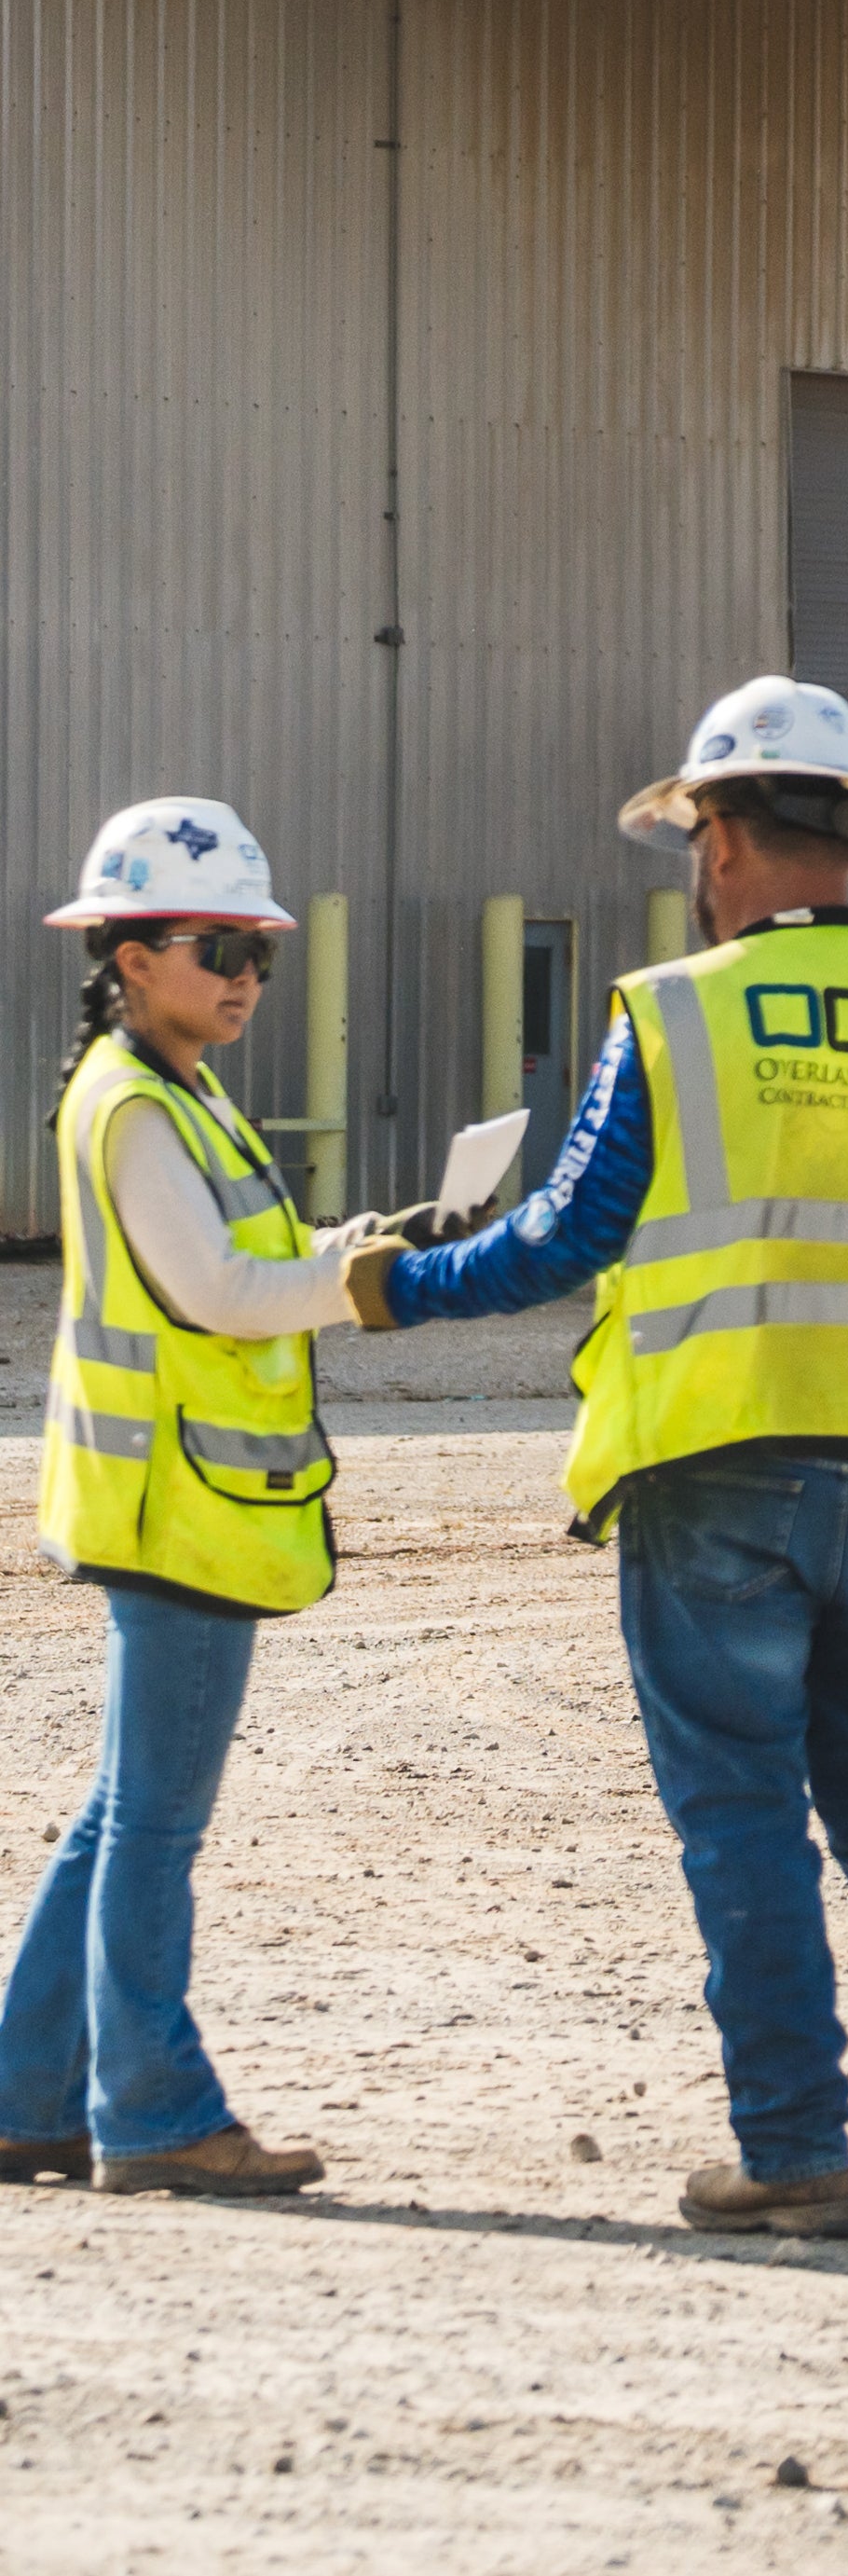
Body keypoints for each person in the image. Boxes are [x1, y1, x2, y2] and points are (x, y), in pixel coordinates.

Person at [377, 677, 848, 2234]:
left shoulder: (673, 1012)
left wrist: (392, 1285)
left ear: (730, 838)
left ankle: (795, 2149)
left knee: (745, 1815)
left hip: (711, 1472)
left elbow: (566, 1236)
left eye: (699, 836)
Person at [0, 801, 425, 2198]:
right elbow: (221, 1293)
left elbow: (253, 1255)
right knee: (151, 1828)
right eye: (221, 948)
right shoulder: (134, 1107)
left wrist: (363, 1241)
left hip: (177, 1494)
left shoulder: (178, 1091)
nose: (246, 974)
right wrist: (359, 1286)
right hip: (170, 1504)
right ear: (131, 958)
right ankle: (153, 2112)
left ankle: (26, 2100)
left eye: (260, 951)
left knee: (122, 1814)